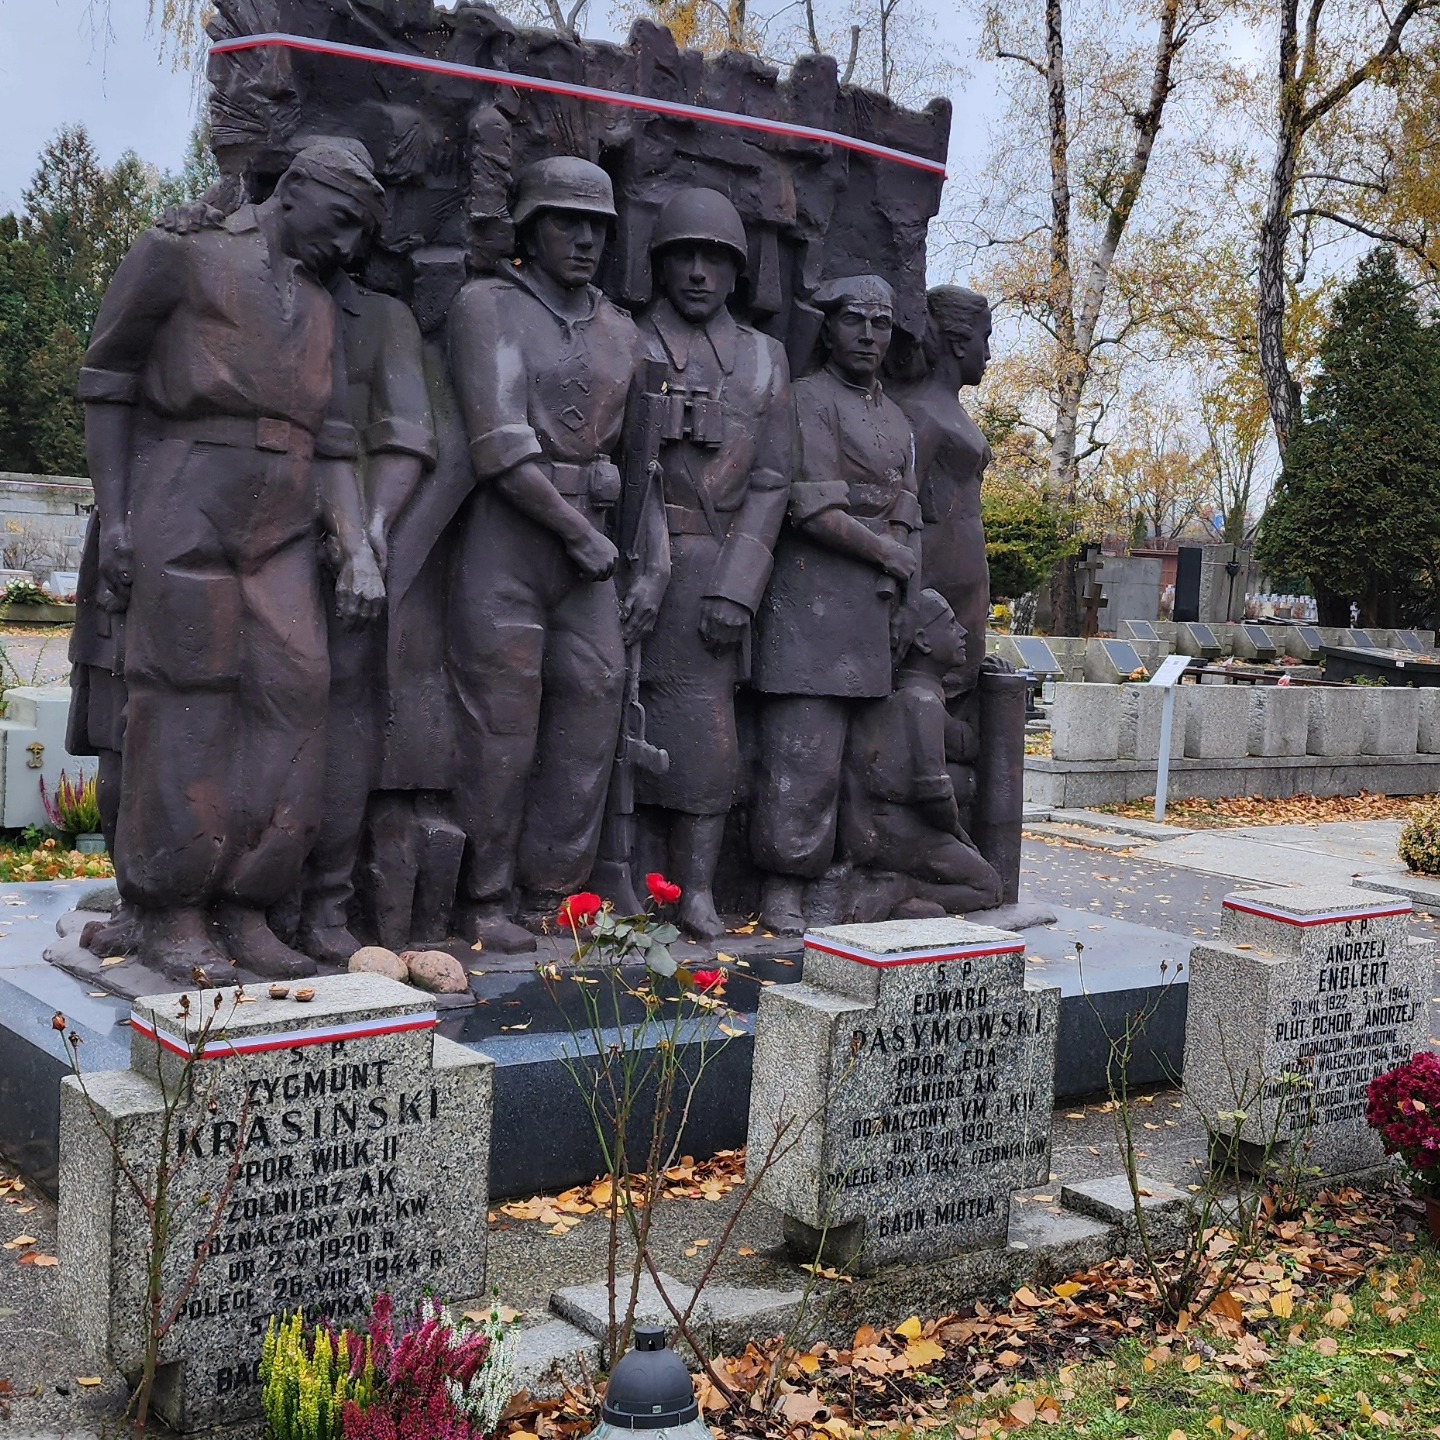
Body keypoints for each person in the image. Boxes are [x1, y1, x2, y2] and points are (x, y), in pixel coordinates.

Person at [77, 142, 387, 980]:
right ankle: (172, 910)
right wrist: (118, 518)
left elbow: (335, 439)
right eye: (342, 221)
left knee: (294, 696)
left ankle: (248, 906)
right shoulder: (182, 252)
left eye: (360, 234)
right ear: (295, 189)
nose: (347, 246)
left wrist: (355, 545)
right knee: (187, 703)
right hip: (186, 498)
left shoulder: (319, 305)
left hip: (283, 523)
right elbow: (107, 378)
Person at [446, 156, 649, 953]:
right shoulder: (487, 305)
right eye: (568, 222)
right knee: (501, 727)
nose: (586, 239)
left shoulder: (622, 330)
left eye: (598, 226)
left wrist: (649, 557)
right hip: (509, 541)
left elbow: (644, 460)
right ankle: (483, 896)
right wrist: (577, 531)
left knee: (595, 701)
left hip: (590, 546)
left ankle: (552, 892)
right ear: (530, 228)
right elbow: (497, 443)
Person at [632, 187, 792, 939]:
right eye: (684, 257)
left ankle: (696, 887)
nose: (699, 272)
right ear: (661, 264)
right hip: (633, 558)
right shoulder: (629, 338)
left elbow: (774, 479)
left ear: (737, 272)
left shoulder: (764, 359)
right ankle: (632, 884)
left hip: (715, 572)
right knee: (618, 722)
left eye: (715, 259)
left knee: (705, 736)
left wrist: (737, 588)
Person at [750, 273, 922, 935]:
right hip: (810, 606)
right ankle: (783, 885)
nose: (870, 336)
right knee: (803, 756)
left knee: (857, 762)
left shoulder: (896, 417)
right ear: (829, 328)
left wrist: (902, 581)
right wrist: (887, 554)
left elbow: (908, 506)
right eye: (856, 321)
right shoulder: (808, 398)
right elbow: (813, 505)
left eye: (881, 324)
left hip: (872, 610)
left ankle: (838, 877)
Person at [296, 193, 438, 965]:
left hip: (347, 561)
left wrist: (369, 536)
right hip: (254, 538)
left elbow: (406, 436)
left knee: (345, 720)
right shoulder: (254, 301)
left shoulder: (383, 321)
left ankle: (325, 901)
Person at [839, 587, 1003, 912]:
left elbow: (963, 742)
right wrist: (959, 834)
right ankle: (901, 888)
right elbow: (934, 793)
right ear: (923, 641)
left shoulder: (902, 695)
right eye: (951, 624)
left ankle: (908, 902)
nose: (963, 632)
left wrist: (987, 693)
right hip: (897, 834)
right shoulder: (923, 702)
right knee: (989, 887)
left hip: (865, 831)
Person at [891, 285, 993, 695]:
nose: (988, 354)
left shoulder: (952, 409)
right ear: (958, 342)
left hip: (966, 577)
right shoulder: (922, 413)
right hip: (937, 579)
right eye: (984, 339)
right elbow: (903, 502)